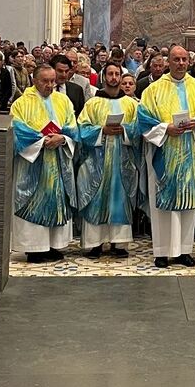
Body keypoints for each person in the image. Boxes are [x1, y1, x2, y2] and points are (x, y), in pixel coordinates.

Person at [137, 45, 195, 269]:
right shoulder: (154, 89)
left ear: (188, 62)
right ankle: (162, 251)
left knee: (188, 204)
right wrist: (166, 129)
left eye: (184, 59)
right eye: (176, 59)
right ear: (168, 62)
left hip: (190, 154)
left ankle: (184, 250)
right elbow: (143, 119)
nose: (181, 63)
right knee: (162, 206)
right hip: (164, 155)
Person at [10, 65, 79, 263]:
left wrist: (62, 138)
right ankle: (34, 248)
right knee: (33, 202)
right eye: (45, 81)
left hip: (58, 161)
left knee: (57, 200)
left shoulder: (63, 100)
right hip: (33, 164)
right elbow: (17, 130)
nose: (50, 85)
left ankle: (52, 245)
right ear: (34, 80)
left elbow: (72, 127)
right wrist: (42, 141)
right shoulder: (21, 103)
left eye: (52, 81)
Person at [76, 63, 140, 259]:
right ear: (104, 77)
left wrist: (125, 130)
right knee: (96, 198)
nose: (114, 77)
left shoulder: (131, 104)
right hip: (96, 161)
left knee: (120, 199)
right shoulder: (92, 103)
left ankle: (119, 243)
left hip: (122, 161)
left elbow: (139, 129)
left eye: (117, 74)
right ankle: (94, 243)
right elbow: (82, 128)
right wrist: (101, 130)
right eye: (110, 74)